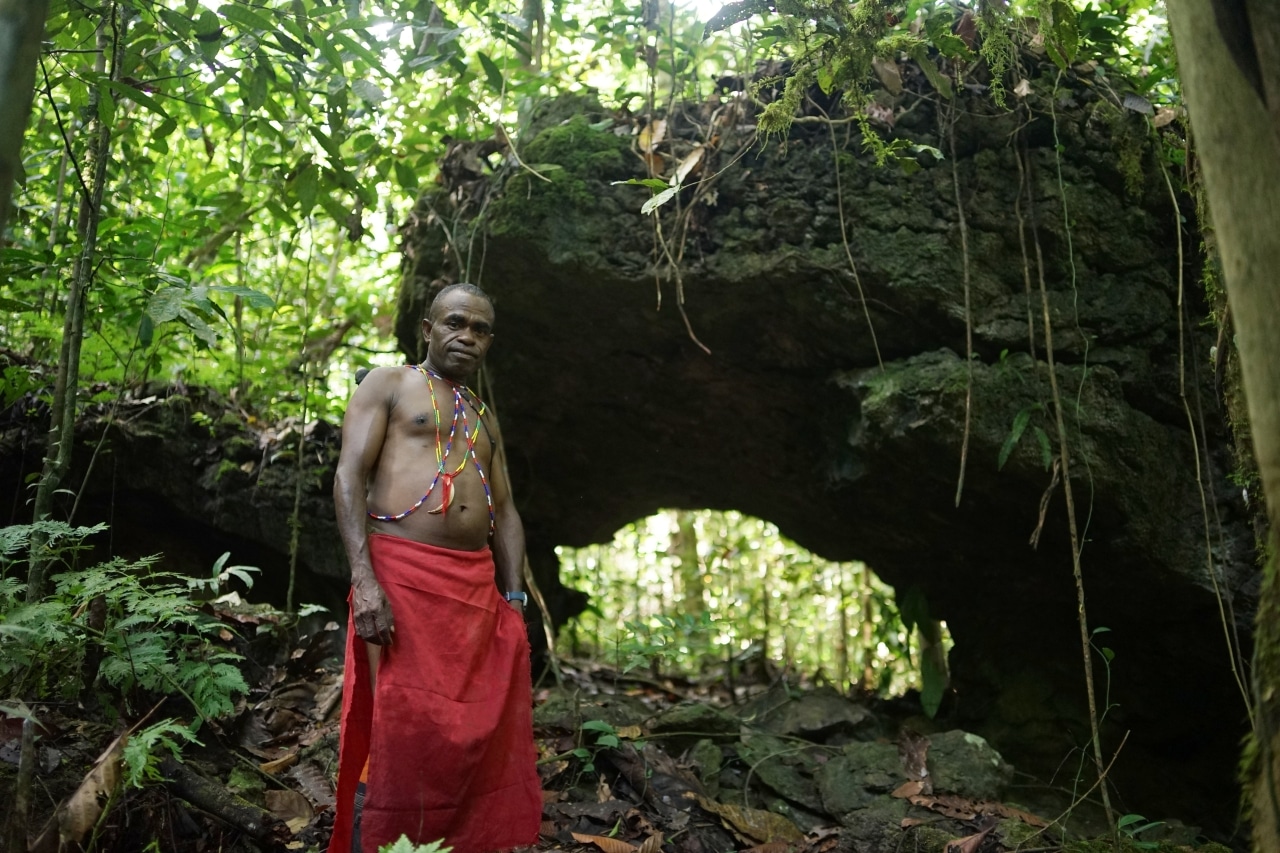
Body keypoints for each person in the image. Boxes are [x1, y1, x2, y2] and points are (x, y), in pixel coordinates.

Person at [328, 283, 542, 853]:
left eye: (480, 329)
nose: (466, 336)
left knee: (471, 729)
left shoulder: (483, 416)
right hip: (400, 573)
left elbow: (507, 512)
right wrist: (364, 580)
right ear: (428, 329)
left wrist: (514, 599)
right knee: (399, 719)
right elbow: (349, 475)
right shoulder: (389, 384)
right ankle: (376, 839)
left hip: (473, 588)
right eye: (455, 323)